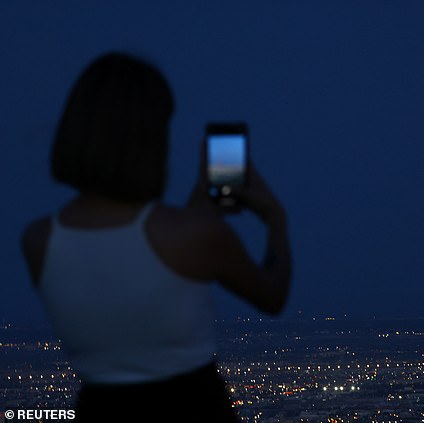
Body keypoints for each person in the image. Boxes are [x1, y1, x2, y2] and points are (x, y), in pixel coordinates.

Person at [20, 52, 292, 422]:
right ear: (151, 141)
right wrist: (276, 218)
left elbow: (140, 256)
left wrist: (198, 200)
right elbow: (272, 295)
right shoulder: (195, 236)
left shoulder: (38, 242)